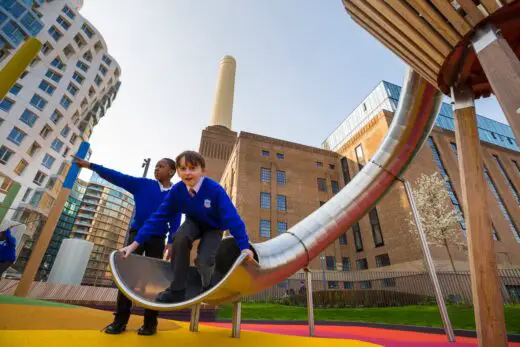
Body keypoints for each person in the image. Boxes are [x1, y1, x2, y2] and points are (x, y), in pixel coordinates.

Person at [119, 150, 254, 303]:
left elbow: (233, 219)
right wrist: (134, 244)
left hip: (214, 227)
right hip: (194, 221)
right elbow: (158, 217)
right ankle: (177, 289)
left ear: (202, 170)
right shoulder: (177, 191)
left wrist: (244, 246)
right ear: (177, 171)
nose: (187, 173)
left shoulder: (214, 190)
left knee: (203, 261)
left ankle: (206, 284)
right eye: (183, 169)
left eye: (192, 168)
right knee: (180, 238)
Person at [74, 156, 181, 336]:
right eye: (155, 166)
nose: (156, 169)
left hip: (157, 240)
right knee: (126, 278)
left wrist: (171, 241)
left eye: (160, 166)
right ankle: (119, 321)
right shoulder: (142, 185)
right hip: (136, 237)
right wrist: (91, 165)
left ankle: (150, 324)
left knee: (153, 283)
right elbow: (117, 176)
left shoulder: (175, 194)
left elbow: (176, 219)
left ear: (171, 171)